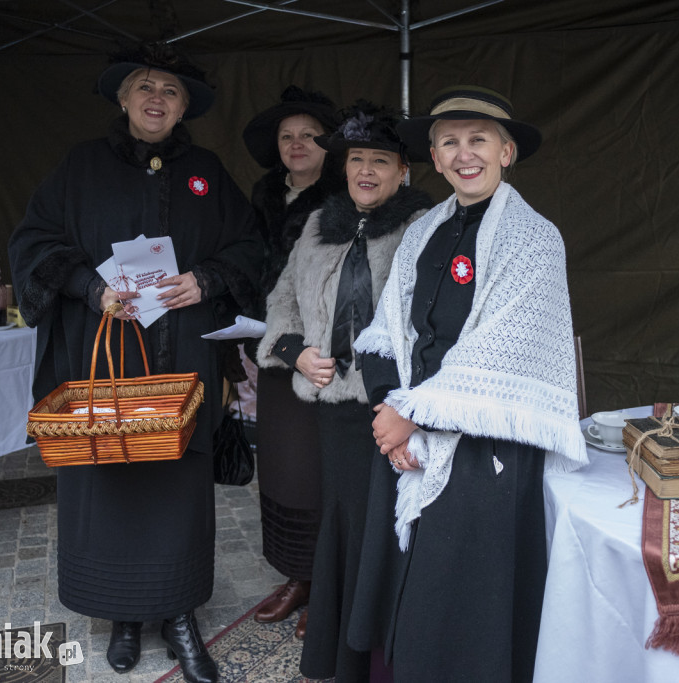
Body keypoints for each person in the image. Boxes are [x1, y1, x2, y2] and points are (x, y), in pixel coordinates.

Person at [8, 44, 262, 683]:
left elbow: (250, 245)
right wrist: (91, 290)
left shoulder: (206, 169)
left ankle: (178, 617)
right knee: (111, 481)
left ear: (183, 109)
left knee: (176, 490)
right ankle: (122, 615)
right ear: (122, 99)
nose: (157, 99)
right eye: (145, 87)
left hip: (187, 362)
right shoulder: (80, 167)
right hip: (108, 362)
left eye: (171, 92)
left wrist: (206, 279)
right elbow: (33, 243)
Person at [350, 85, 589, 683]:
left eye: (478, 140)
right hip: (404, 430)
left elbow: (498, 357)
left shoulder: (535, 239)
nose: (465, 154)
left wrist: (415, 416)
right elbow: (387, 331)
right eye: (449, 142)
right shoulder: (422, 230)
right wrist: (390, 416)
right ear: (433, 157)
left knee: (460, 598)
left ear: (507, 152)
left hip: (483, 450)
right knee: (405, 583)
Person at [256, 101, 431, 682]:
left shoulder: (424, 227)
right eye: (357, 159)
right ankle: (341, 653)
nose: (366, 171)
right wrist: (294, 351)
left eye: (380, 161)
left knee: (385, 527)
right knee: (343, 522)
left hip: (391, 406)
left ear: (403, 170)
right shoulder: (317, 224)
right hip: (332, 408)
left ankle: (379, 659)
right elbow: (282, 299)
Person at [241, 86, 344, 639]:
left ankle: (327, 585)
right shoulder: (263, 193)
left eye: (308, 135)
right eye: (287, 136)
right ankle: (297, 576)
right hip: (271, 348)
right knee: (279, 467)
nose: (297, 144)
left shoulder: (342, 198)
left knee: (314, 472)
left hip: (321, 357)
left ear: (328, 145)